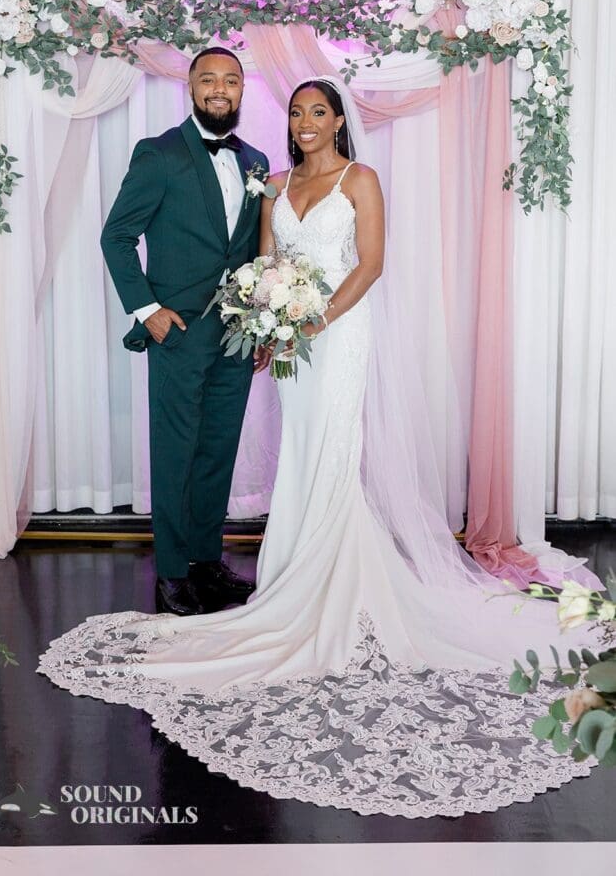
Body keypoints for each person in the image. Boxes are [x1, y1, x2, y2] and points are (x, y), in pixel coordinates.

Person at [40, 76, 599, 818]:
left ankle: (325, 586)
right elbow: (264, 265)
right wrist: (272, 323)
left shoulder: (360, 179)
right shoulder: (270, 182)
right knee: (299, 450)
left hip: (336, 336)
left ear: (337, 118)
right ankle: (291, 575)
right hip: (289, 347)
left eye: (317, 112)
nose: (305, 122)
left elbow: (369, 265)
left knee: (334, 447)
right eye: (297, 112)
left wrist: (312, 322)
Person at [100, 47, 269, 616]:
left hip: (236, 335)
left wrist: (263, 318)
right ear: (191, 88)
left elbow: (250, 250)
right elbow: (116, 237)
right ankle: (172, 571)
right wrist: (147, 311)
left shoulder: (257, 161)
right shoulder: (160, 154)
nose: (219, 89)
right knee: (176, 450)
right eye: (208, 79)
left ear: (243, 90)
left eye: (231, 80)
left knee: (218, 449)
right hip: (177, 331)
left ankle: (205, 560)